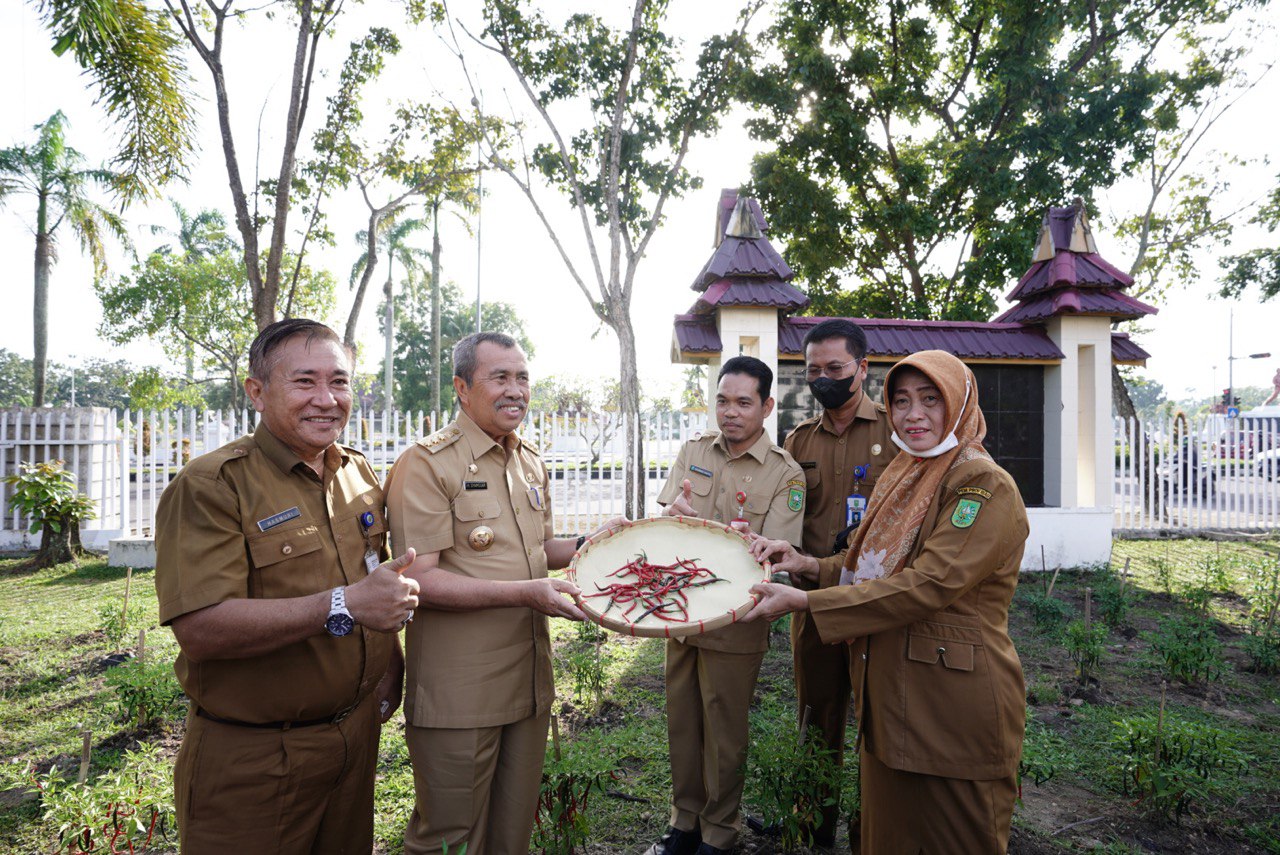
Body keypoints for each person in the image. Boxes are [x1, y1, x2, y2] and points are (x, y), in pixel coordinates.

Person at [154, 319, 421, 855]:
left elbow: (374, 575)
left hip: (353, 740)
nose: (326, 399)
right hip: (256, 757)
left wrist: (389, 662)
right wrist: (344, 604)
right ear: (257, 391)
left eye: (340, 382)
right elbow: (202, 629)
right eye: (304, 382)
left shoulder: (356, 474)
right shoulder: (214, 485)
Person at [746, 350, 1029, 854]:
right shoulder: (908, 472)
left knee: (954, 838)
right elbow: (873, 565)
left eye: (930, 400)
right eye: (900, 401)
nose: (913, 414)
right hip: (891, 694)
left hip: (948, 706)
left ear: (960, 404)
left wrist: (809, 604)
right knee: (885, 837)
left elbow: (929, 583)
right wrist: (808, 565)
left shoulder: (981, 484)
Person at [385, 331, 614, 854]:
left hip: (528, 680)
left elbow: (537, 548)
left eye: (523, 378)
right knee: (449, 838)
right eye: (501, 378)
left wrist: (589, 543)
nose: (517, 390)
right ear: (463, 388)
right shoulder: (427, 464)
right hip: (462, 690)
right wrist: (526, 593)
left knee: (511, 834)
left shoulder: (527, 457)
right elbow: (420, 578)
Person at [644, 356, 805, 855]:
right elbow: (670, 519)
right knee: (682, 722)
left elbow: (772, 554)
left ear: (766, 406)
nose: (730, 412)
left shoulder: (785, 473)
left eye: (743, 402)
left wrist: (740, 538)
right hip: (681, 611)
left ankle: (719, 832)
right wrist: (676, 514)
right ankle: (684, 823)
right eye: (722, 400)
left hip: (736, 617)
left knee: (724, 731)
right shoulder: (694, 451)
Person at [782, 319, 896, 846]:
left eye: (835, 368)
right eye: (813, 370)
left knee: (880, 721)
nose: (823, 378)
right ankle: (814, 826)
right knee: (817, 717)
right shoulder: (796, 441)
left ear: (863, 369)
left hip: (879, 602)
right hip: (814, 599)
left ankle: (870, 832)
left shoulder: (896, 433)